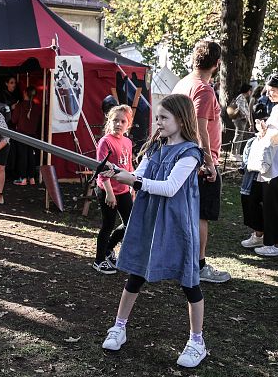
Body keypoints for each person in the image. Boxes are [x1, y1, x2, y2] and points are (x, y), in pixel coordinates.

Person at [100, 94, 207, 368]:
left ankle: (197, 342)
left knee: (189, 283)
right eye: (157, 118)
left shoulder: (191, 153)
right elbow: (140, 172)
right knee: (136, 275)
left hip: (176, 223)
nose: (157, 123)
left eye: (163, 118)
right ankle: (118, 326)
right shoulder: (156, 147)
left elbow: (170, 188)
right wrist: (118, 172)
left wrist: (133, 181)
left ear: (181, 120)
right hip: (148, 218)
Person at [172, 39, 230, 283]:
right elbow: (200, 129)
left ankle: (182, 261)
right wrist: (208, 162)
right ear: (217, 64)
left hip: (179, 156)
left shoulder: (182, 83)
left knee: (185, 213)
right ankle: (198, 266)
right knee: (200, 215)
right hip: (196, 161)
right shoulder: (203, 89)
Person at [240, 72, 278, 257]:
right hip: (269, 164)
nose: (269, 94)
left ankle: (276, 245)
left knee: (272, 205)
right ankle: (260, 234)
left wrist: (268, 131)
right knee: (254, 198)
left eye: (271, 91)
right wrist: (266, 130)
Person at [93, 104, 134, 275]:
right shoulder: (105, 142)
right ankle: (99, 260)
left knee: (130, 224)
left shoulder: (127, 141)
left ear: (128, 124)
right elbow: (102, 170)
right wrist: (109, 193)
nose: (118, 124)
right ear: (109, 121)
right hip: (107, 190)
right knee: (108, 225)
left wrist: (133, 186)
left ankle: (108, 249)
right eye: (115, 120)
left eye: (122, 121)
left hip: (124, 189)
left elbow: (129, 165)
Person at [11, 85, 42, 186]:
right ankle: (32, 178)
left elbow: (13, 120)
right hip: (33, 134)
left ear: (24, 93)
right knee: (31, 156)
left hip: (22, 134)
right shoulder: (37, 107)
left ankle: (23, 179)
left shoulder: (19, 105)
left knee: (22, 157)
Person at [231, 83, 253, 158]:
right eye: (250, 90)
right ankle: (233, 153)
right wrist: (245, 116)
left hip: (243, 119)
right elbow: (241, 108)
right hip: (239, 119)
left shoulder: (243, 97)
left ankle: (237, 152)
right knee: (238, 135)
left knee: (240, 136)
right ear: (247, 90)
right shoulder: (240, 97)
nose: (251, 92)